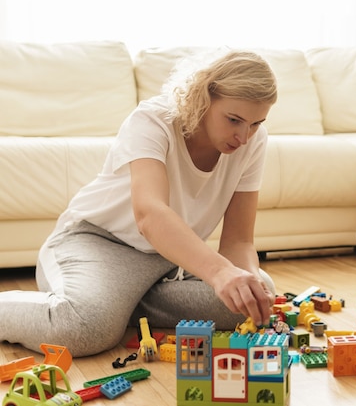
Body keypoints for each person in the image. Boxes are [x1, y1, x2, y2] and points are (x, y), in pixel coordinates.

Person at [0, 50, 278, 357]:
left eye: (255, 124)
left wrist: (245, 279)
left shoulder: (254, 142)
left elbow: (239, 240)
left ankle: (114, 306)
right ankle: (97, 308)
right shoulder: (154, 120)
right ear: (203, 97)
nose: (244, 137)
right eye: (234, 120)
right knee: (81, 330)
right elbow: (150, 214)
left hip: (169, 260)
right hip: (98, 242)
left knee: (254, 295)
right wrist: (221, 273)